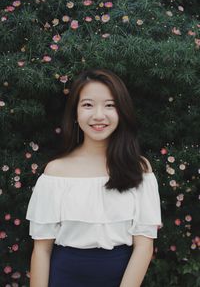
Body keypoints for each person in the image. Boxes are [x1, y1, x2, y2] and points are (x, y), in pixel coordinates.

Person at [26, 68, 162, 287]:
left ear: (122, 112)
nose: (99, 115)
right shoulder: (55, 172)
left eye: (110, 105)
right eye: (88, 105)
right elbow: (41, 249)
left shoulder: (139, 169)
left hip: (122, 278)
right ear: (75, 114)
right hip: (64, 277)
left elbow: (144, 247)